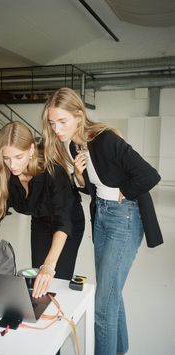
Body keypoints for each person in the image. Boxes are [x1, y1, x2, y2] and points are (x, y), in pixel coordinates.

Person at [42, 87, 163, 355]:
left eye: (63, 121)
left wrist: (124, 192)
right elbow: (91, 188)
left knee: (102, 304)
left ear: (78, 115)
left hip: (124, 218)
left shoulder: (106, 140)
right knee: (111, 294)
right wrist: (78, 174)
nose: (57, 129)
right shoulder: (75, 145)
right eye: (53, 123)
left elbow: (150, 175)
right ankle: (119, 349)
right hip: (102, 218)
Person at [0, 121, 85, 299]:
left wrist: (49, 266)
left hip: (68, 223)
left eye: (19, 157)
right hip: (40, 221)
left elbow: (63, 222)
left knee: (55, 278)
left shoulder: (53, 172)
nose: (12, 165)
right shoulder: (5, 176)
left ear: (32, 150)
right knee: (36, 278)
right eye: (6, 158)